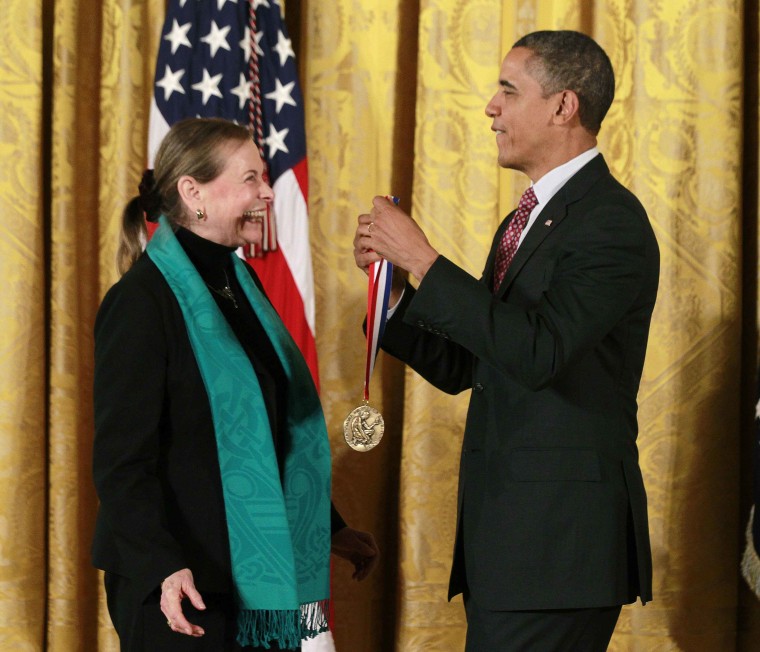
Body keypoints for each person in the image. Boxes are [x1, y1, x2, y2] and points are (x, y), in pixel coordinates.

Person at [353, 30, 659, 651]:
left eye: (508, 90)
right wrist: (394, 301)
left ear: (562, 106)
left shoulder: (610, 221)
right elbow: (477, 361)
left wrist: (425, 261)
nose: (491, 107)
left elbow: (540, 353)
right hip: (514, 552)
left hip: (557, 551)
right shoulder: (529, 216)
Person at [93, 117, 379, 652]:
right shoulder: (140, 302)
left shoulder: (239, 284)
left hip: (251, 572)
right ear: (192, 192)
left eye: (264, 178)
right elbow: (121, 463)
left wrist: (327, 526)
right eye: (250, 178)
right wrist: (163, 567)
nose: (267, 192)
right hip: (180, 585)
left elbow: (269, 429)